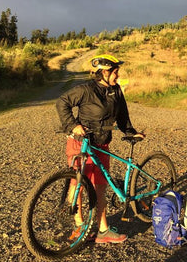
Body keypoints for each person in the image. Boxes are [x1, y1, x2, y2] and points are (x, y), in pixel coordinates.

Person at [56, 54, 144, 244]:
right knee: (78, 185)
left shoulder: (116, 90)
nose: (117, 75)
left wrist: (131, 132)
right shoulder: (85, 90)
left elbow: (123, 116)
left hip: (102, 145)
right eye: (114, 72)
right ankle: (79, 226)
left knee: (100, 188)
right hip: (82, 144)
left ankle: (103, 230)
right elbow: (62, 102)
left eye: (117, 71)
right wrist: (72, 125)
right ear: (103, 73)